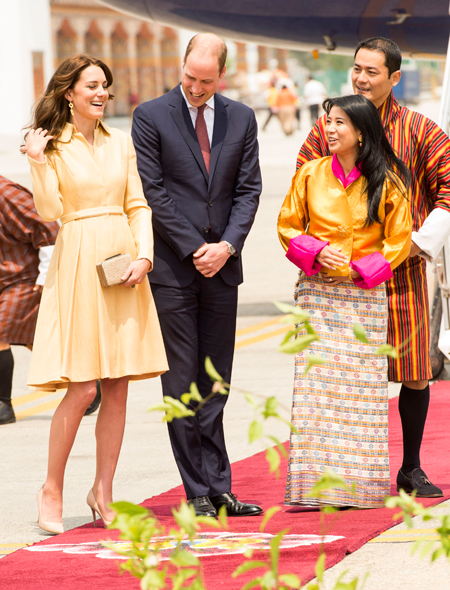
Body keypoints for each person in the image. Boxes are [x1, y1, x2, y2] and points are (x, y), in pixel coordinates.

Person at [296, 37, 450, 499]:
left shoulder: (422, 131)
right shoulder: (330, 126)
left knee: (414, 370)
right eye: (357, 69)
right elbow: (301, 187)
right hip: (340, 279)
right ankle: (344, 475)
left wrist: (418, 244)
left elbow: (448, 189)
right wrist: (317, 251)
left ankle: (411, 468)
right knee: (343, 375)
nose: (361, 79)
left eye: (372, 72)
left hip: (400, 272)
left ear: (395, 77)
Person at [21, 54, 168, 535]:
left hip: (123, 262)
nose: (101, 92)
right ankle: (51, 488)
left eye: (105, 85)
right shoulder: (51, 144)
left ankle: (103, 492)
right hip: (79, 260)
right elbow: (49, 210)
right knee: (83, 387)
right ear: (69, 93)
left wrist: (145, 256)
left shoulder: (119, 141)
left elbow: (138, 204)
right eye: (91, 85)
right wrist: (37, 160)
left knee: (118, 385)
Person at [131, 33, 263, 518]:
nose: (195, 88)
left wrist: (226, 246)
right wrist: (194, 248)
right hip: (174, 270)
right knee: (182, 381)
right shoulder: (150, 116)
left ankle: (220, 487)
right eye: (190, 77)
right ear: (182, 65)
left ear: (222, 75)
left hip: (223, 266)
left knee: (216, 379)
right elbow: (153, 191)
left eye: (206, 81)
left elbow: (248, 190)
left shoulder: (241, 117)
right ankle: (196, 490)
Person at [278, 94, 412, 508]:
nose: (330, 129)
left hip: (364, 297)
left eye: (340, 122)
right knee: (317, 391)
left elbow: (399, 241)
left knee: (361, 392)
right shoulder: (310, 173)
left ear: (361, 131)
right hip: (318, 294)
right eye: (328, 121)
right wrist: (316, 251)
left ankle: (360, 486)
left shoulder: (388, 180)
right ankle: (316, 487)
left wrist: (360, 269)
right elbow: (287, 225)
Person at [0, 176, 59, 425]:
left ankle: (3, 405)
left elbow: (49, 228)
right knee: (31, 340)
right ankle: (85, 381)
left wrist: (46, 277)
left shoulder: (6, 193)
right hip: (4, 278)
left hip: (23, 277)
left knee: (1, 334)